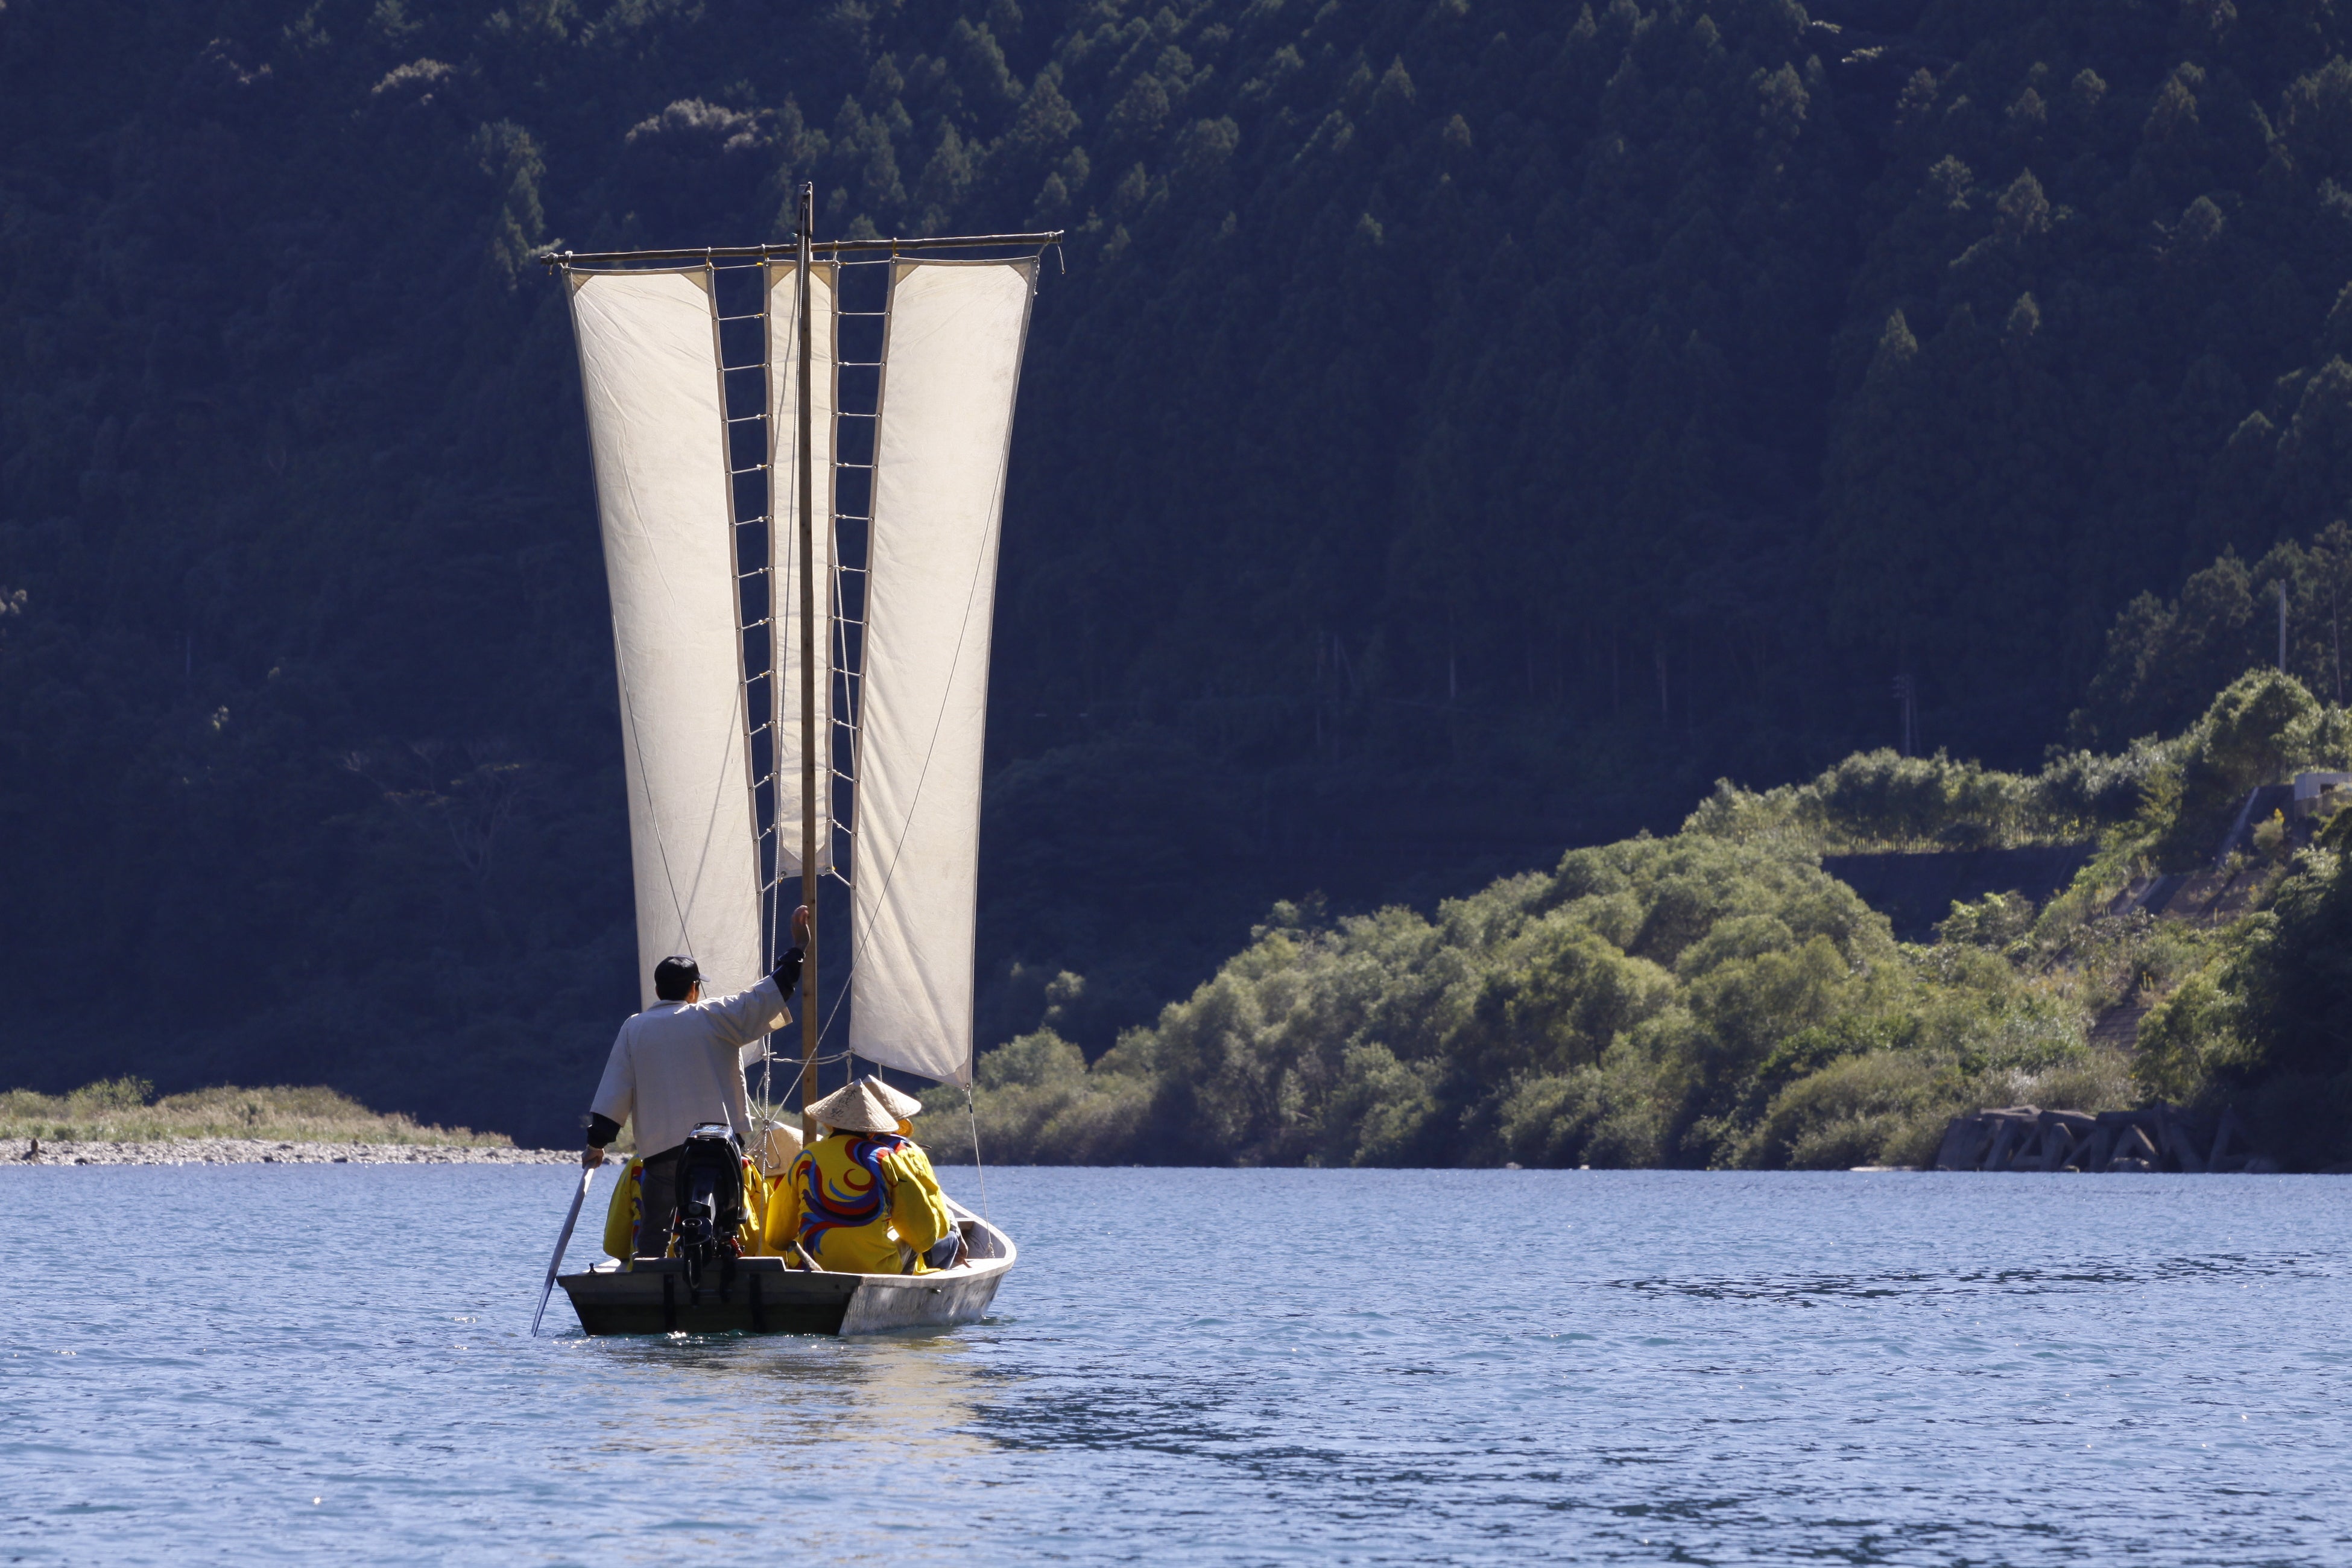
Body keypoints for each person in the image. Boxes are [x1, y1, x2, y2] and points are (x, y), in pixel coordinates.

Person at [584, 906, 809, 1262]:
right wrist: (798, 950)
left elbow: (616, 1091)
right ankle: (723, 1267)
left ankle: (650, 1278)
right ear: (694, 989)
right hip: (718, 1146)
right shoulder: (716, 1016)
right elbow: (770, 993)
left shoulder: (634, 1028)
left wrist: (597, 1144)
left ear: (657, 989)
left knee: (656, 1231)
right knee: (726, 1223)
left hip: (662, 1151)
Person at [765, 1077, 961, 1274]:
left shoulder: (806, 1157)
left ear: (832, 1125)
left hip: (810, 1266)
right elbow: (924, 1238)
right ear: (873, 1129)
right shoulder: (886, 1158)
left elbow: (777, 1238)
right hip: (875, 1270)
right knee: (914, 1241)